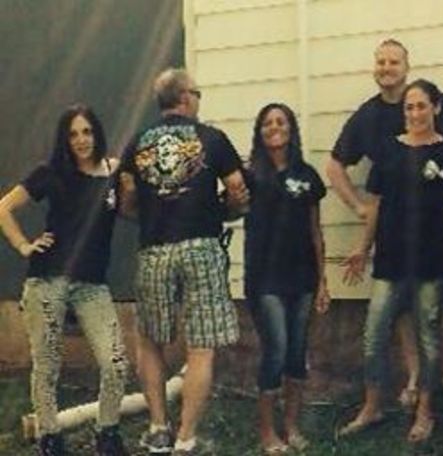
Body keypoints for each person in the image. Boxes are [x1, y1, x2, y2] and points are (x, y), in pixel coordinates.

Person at [326, 38, 443, 405]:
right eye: (380, 62)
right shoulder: (367, 117)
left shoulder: (430, 101)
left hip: (440, 227)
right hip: (394, 231)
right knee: (400, 306)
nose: (386, 68)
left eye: (393, 62)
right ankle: (416, 373)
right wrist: (359, 208)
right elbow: (334, 166)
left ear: (406, 67)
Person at [118, 68, 250, 456]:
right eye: (198, 92)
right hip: (201, 247)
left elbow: (126, 201)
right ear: (186, 97)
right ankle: (186, 439)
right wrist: (221, 212)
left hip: (154, 249)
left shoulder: (137, 142)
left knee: (150, 342)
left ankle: (159, 429)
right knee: (201, 346)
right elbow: (238, 192)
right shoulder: (212, 138)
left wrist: (156, 213)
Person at [341, 79, 443, 443]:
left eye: (421, 106)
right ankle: (372, 406)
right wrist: (362, 247)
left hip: (435, 260)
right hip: (391, 259)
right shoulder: (389, 150)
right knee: (373, 334)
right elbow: (375, 206)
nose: (415, 113)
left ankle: (425, 411)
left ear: (435, 108)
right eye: (409, 107)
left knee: (429, 336)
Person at [0, 104, 129, 456]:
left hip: (92, 285)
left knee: (116, 362)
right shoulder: (50, 172)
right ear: (64, 139)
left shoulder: (112, 171)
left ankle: (107, 431)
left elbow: (131, 207)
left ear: (97, 133)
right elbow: (3, 208)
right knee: (48, 362)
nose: (81, 140)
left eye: (87, 131)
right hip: (48, 280)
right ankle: (49, 436)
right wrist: (24, 245)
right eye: (73, 133)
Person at [243, 103, 330, 455]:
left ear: (291, 129)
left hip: (303, 277)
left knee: (296, 353)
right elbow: (229, 208)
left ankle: (291, 426)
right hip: (265, 279)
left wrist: (323, 281)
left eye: (281, 122)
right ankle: (267, 432)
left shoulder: (306, 175)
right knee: (276, 351)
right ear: (259, 131)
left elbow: (315, 231)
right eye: (267, 123)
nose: (274, 128)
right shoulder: (249, 175)